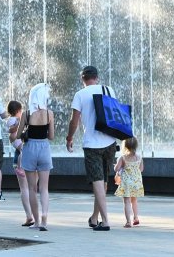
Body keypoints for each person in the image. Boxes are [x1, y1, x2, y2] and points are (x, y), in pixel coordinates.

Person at [66, 65, 117, 231]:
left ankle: (106, 221)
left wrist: (70, 137)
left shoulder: (80, 94)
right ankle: (95, 218)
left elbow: (74, 121)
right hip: (110, 142)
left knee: (97, 181)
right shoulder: (108, 90)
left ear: (83, 79)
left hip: (92, 144)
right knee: (103, 181)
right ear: (97, 77)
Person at [16, 83, 54, 231]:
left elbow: (18, 135)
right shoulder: (49, 113)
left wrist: (26, 130)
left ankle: (37, 221)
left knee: (32, 188)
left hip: (30, 148)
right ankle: (45, 219)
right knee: (44, 188)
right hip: (44, 148)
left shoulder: (26, 113)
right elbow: (51, 136)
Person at [6, 100, 34, 226]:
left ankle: (30, 216)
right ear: (17, 111)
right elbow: (11, 132)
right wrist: (19, 124)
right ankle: (33, 216)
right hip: (27, 156)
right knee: (29, 188)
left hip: (25, 154)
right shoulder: (14, 120)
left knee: (26, 189)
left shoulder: (21, 119)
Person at [114, 137, 144, 228]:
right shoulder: (139, 157)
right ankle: (136, 218)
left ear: (125, 146)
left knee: (126, 201)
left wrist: (116, 166)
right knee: (134, 200)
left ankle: (128, 222)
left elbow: (116, 169)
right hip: (136, 182)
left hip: (127, 183)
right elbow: (141, 169)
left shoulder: (123, 158)